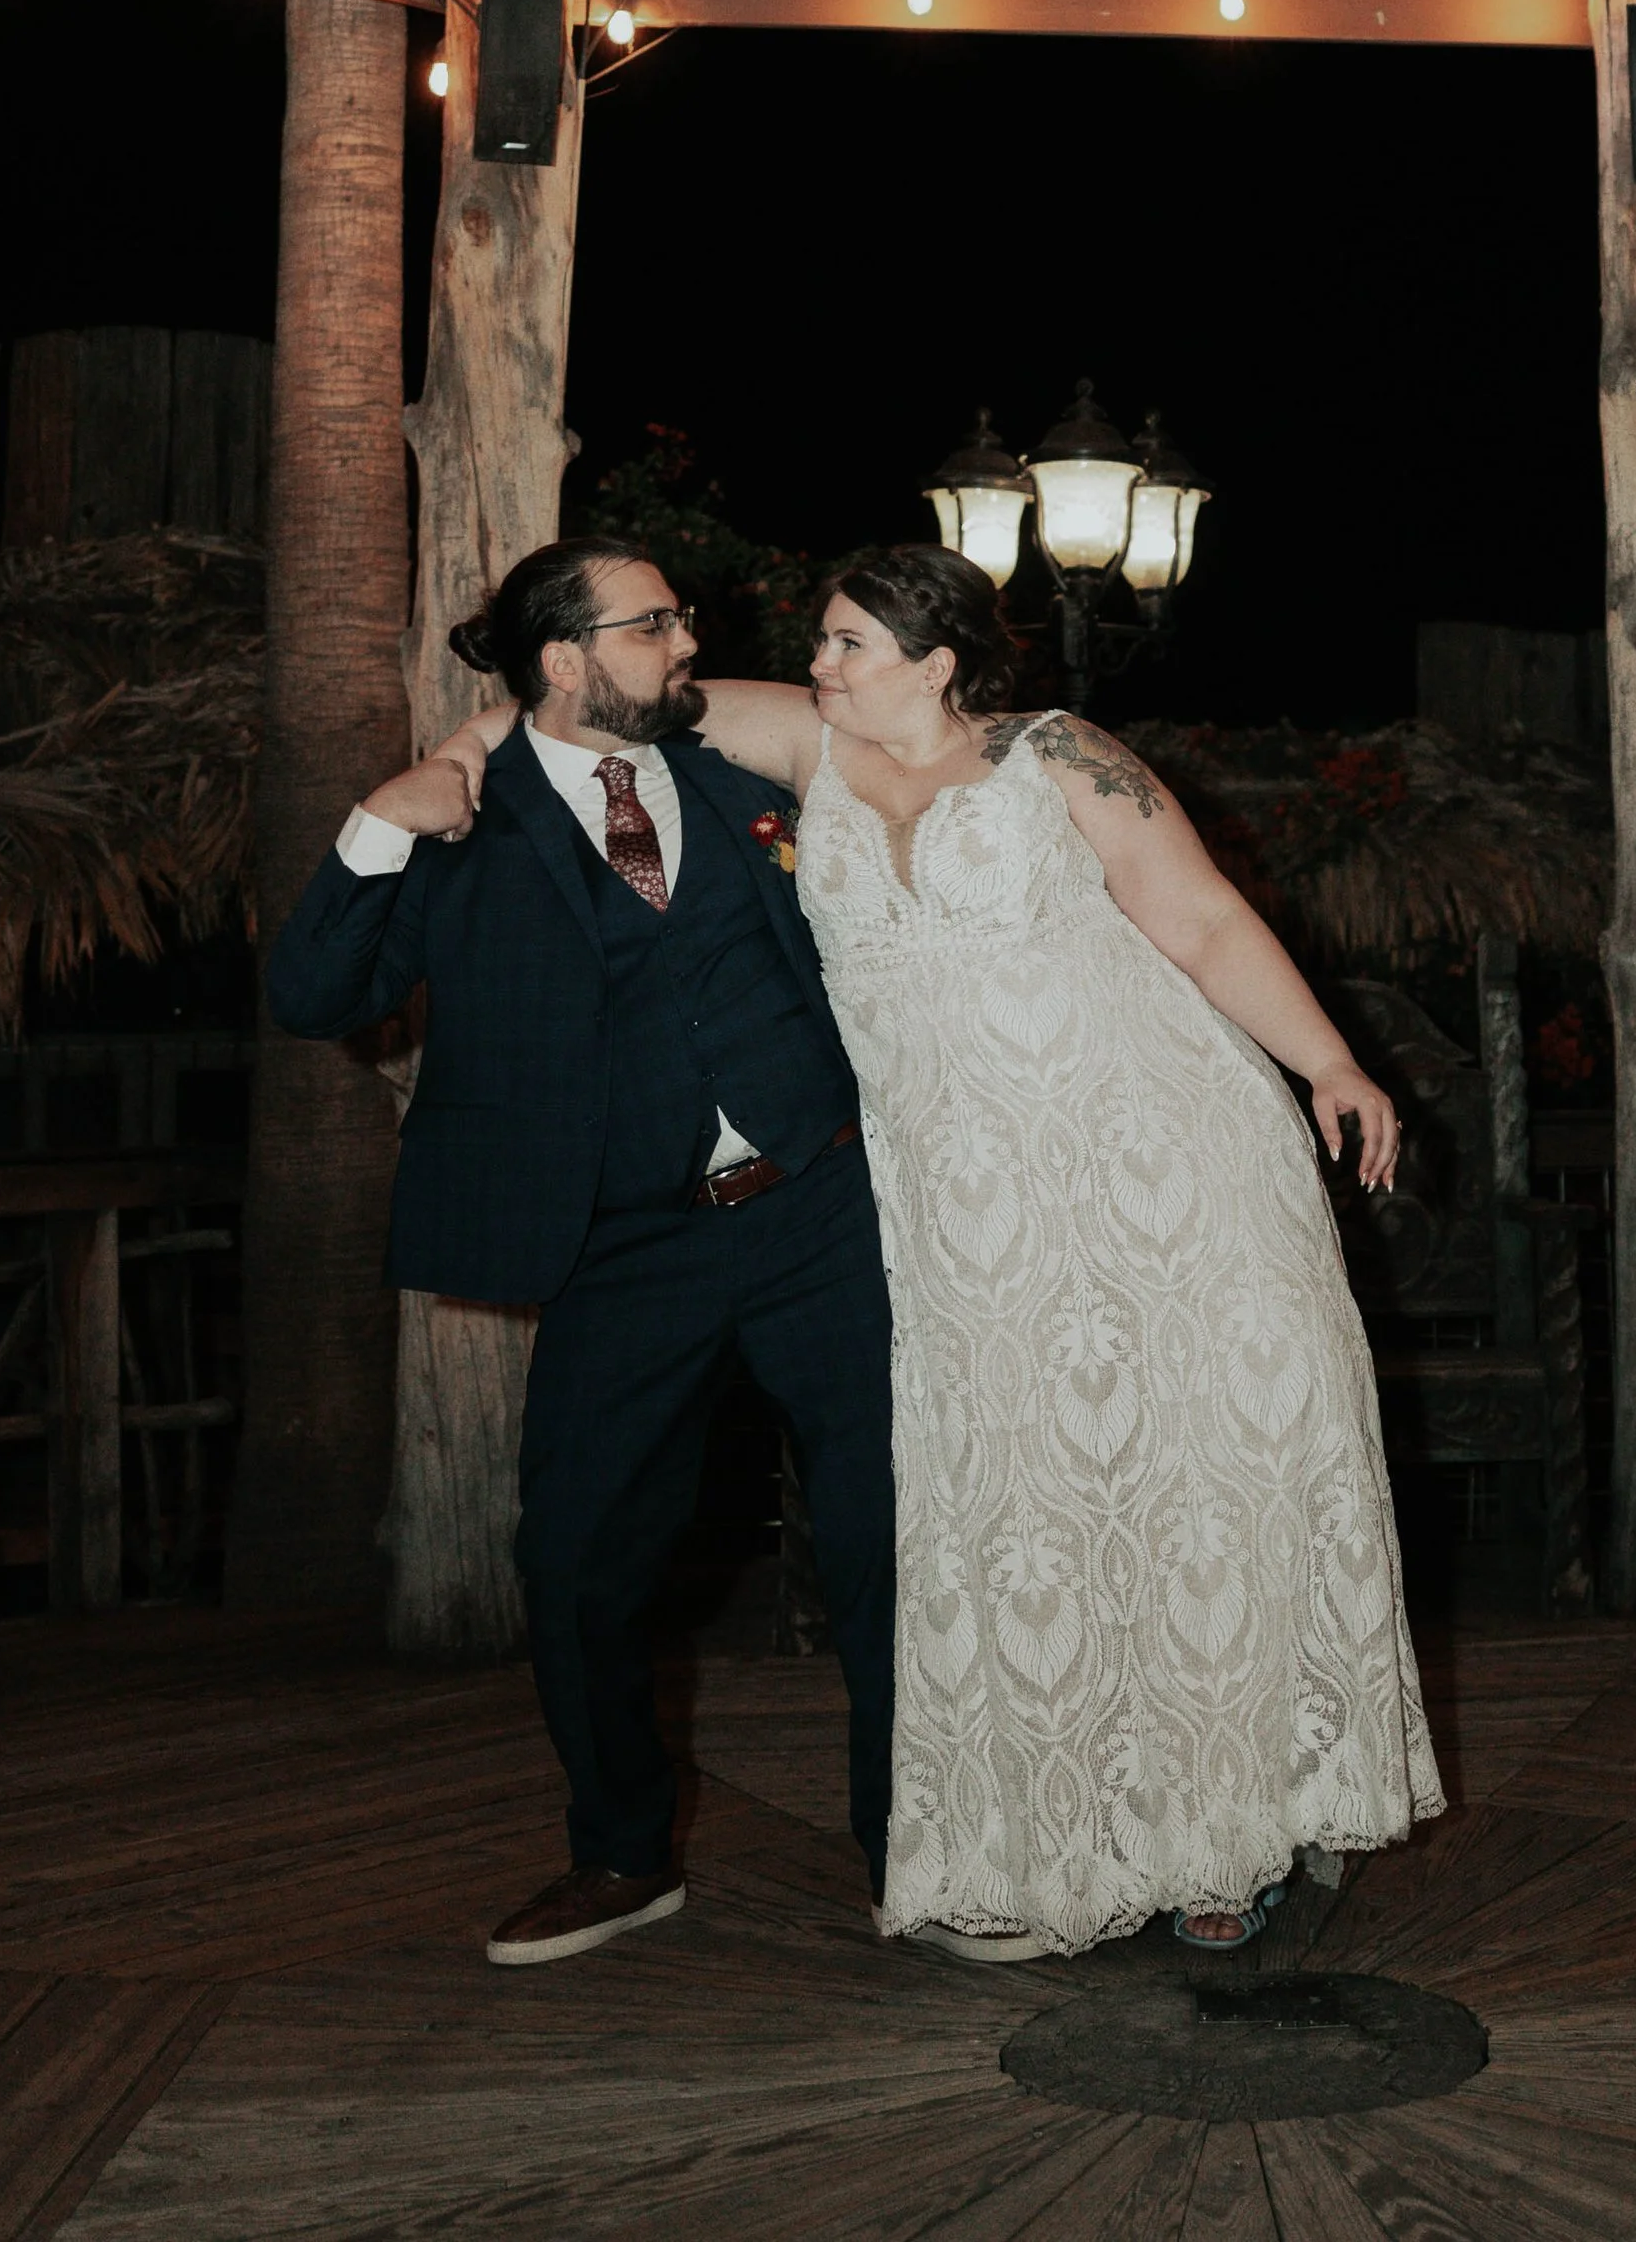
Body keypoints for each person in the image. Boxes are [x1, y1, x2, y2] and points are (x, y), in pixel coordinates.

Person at [446, 544, 1443, 1961]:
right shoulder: (810, 745)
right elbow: (576, 702)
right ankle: (1073, 1832)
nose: (818, 663)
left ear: (938, 664)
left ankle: (1230, 1834)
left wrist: (1330, 1062)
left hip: (1156, 1171)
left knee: (1191, 1494)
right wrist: (451, 756)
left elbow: (1204, 917)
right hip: (965, 1221)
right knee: (1032, 1516)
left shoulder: (1060, 755)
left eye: (848, 643)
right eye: (821, 641)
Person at [265, 540, 896, 1972]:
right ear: (566, 659)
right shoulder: (458, 826)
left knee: (887, 1538)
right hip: (621, 1244)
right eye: (656, 623)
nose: (690, 640)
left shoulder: (739, 786)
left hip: (818, 1212)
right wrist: (380, 817)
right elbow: (313, 993)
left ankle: (913, 1847)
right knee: (576, 1557)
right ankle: (621, 1853)